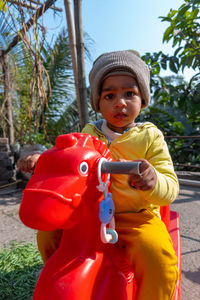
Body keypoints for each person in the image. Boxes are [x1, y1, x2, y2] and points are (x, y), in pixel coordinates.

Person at [18, 50, 179, 300]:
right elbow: (68, 159)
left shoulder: (150, 136)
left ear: (143, 100)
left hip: (136, 218)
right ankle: (59, 276)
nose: (120, 102)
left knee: (160, 261)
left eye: (129, 93)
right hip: (91, 215)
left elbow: (171, 186)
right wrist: (43, 161)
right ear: (98, 102)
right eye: (109, 95)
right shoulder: (90, 133)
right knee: (47, 234)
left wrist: (153, 181)